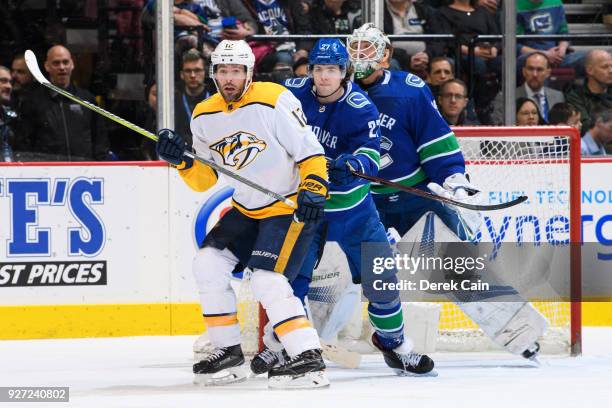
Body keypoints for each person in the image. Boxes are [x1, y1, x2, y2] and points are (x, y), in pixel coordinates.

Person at [346, 23, 548, 359]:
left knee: (461, 265)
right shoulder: (335, 90)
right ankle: (307, 337)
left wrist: (454, 179)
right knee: (337, 265)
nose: (359, 55)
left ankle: (517, 333)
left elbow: (435, 141)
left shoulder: (409, 91)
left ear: (386, 55)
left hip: (414, 197)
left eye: (368, 48)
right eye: (354, 47)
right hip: (360, 200)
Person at [252, 38, 435, 377]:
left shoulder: (360, 105)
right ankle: (278, 345)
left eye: (332, 70)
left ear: (344, 72)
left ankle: (393, 342)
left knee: (381, 276)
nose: (323, 77)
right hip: (307, 206)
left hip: (354, 210)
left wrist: (352, 165)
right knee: (291, 282)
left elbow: (371, 154)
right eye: (318, 69)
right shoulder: (290, 94)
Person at [156, 39, 329, 388]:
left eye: (236, 71)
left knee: (267, 280)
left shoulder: (274, 100)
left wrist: (314, 188)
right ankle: (229, 351)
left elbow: (310, 152)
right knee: (206, 263)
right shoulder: (204, 114)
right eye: (223, 71)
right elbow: (205, 178)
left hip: (286, 206)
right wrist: (180, 161)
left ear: (249, 72)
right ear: (213, 74)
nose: (229, 78)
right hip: (246, 208)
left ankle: (308, 356)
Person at [15, 45, 110, 161]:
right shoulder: (33, 102)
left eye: (65, 62)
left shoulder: (87, 99)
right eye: (56, 63)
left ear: (72, 64)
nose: (62, 67)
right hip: (49, 174)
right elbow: (24, 143)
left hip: (84, 172)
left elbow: (100, 140)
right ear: (47, 66)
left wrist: (102, 166)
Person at [516, 0, 585, 71]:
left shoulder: (556, 2)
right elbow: (514, 45)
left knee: (593, 57)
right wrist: (545, 54)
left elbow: (564, 32)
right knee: (539, 65)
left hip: (556, 56)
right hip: (531, 57)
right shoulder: (516, 6)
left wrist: (562, 49)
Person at [566, 49, 612, 134]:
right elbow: (586, 127)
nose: (611, 71)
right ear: (589, 70)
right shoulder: (576, 97)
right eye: (605, 67)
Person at [175, 49, 212, 144]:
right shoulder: (173, 100)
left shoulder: (215, 98)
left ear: (205, 72)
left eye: (197, 70)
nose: (192, 75)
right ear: (181, 74)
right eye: (188, 71)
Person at [517, 52, 565, 122]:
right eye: (530, 69)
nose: (535, 74)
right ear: (524, 71)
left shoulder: (558, 96)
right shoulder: (508, 98)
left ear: (548, 73)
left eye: (539, 70)